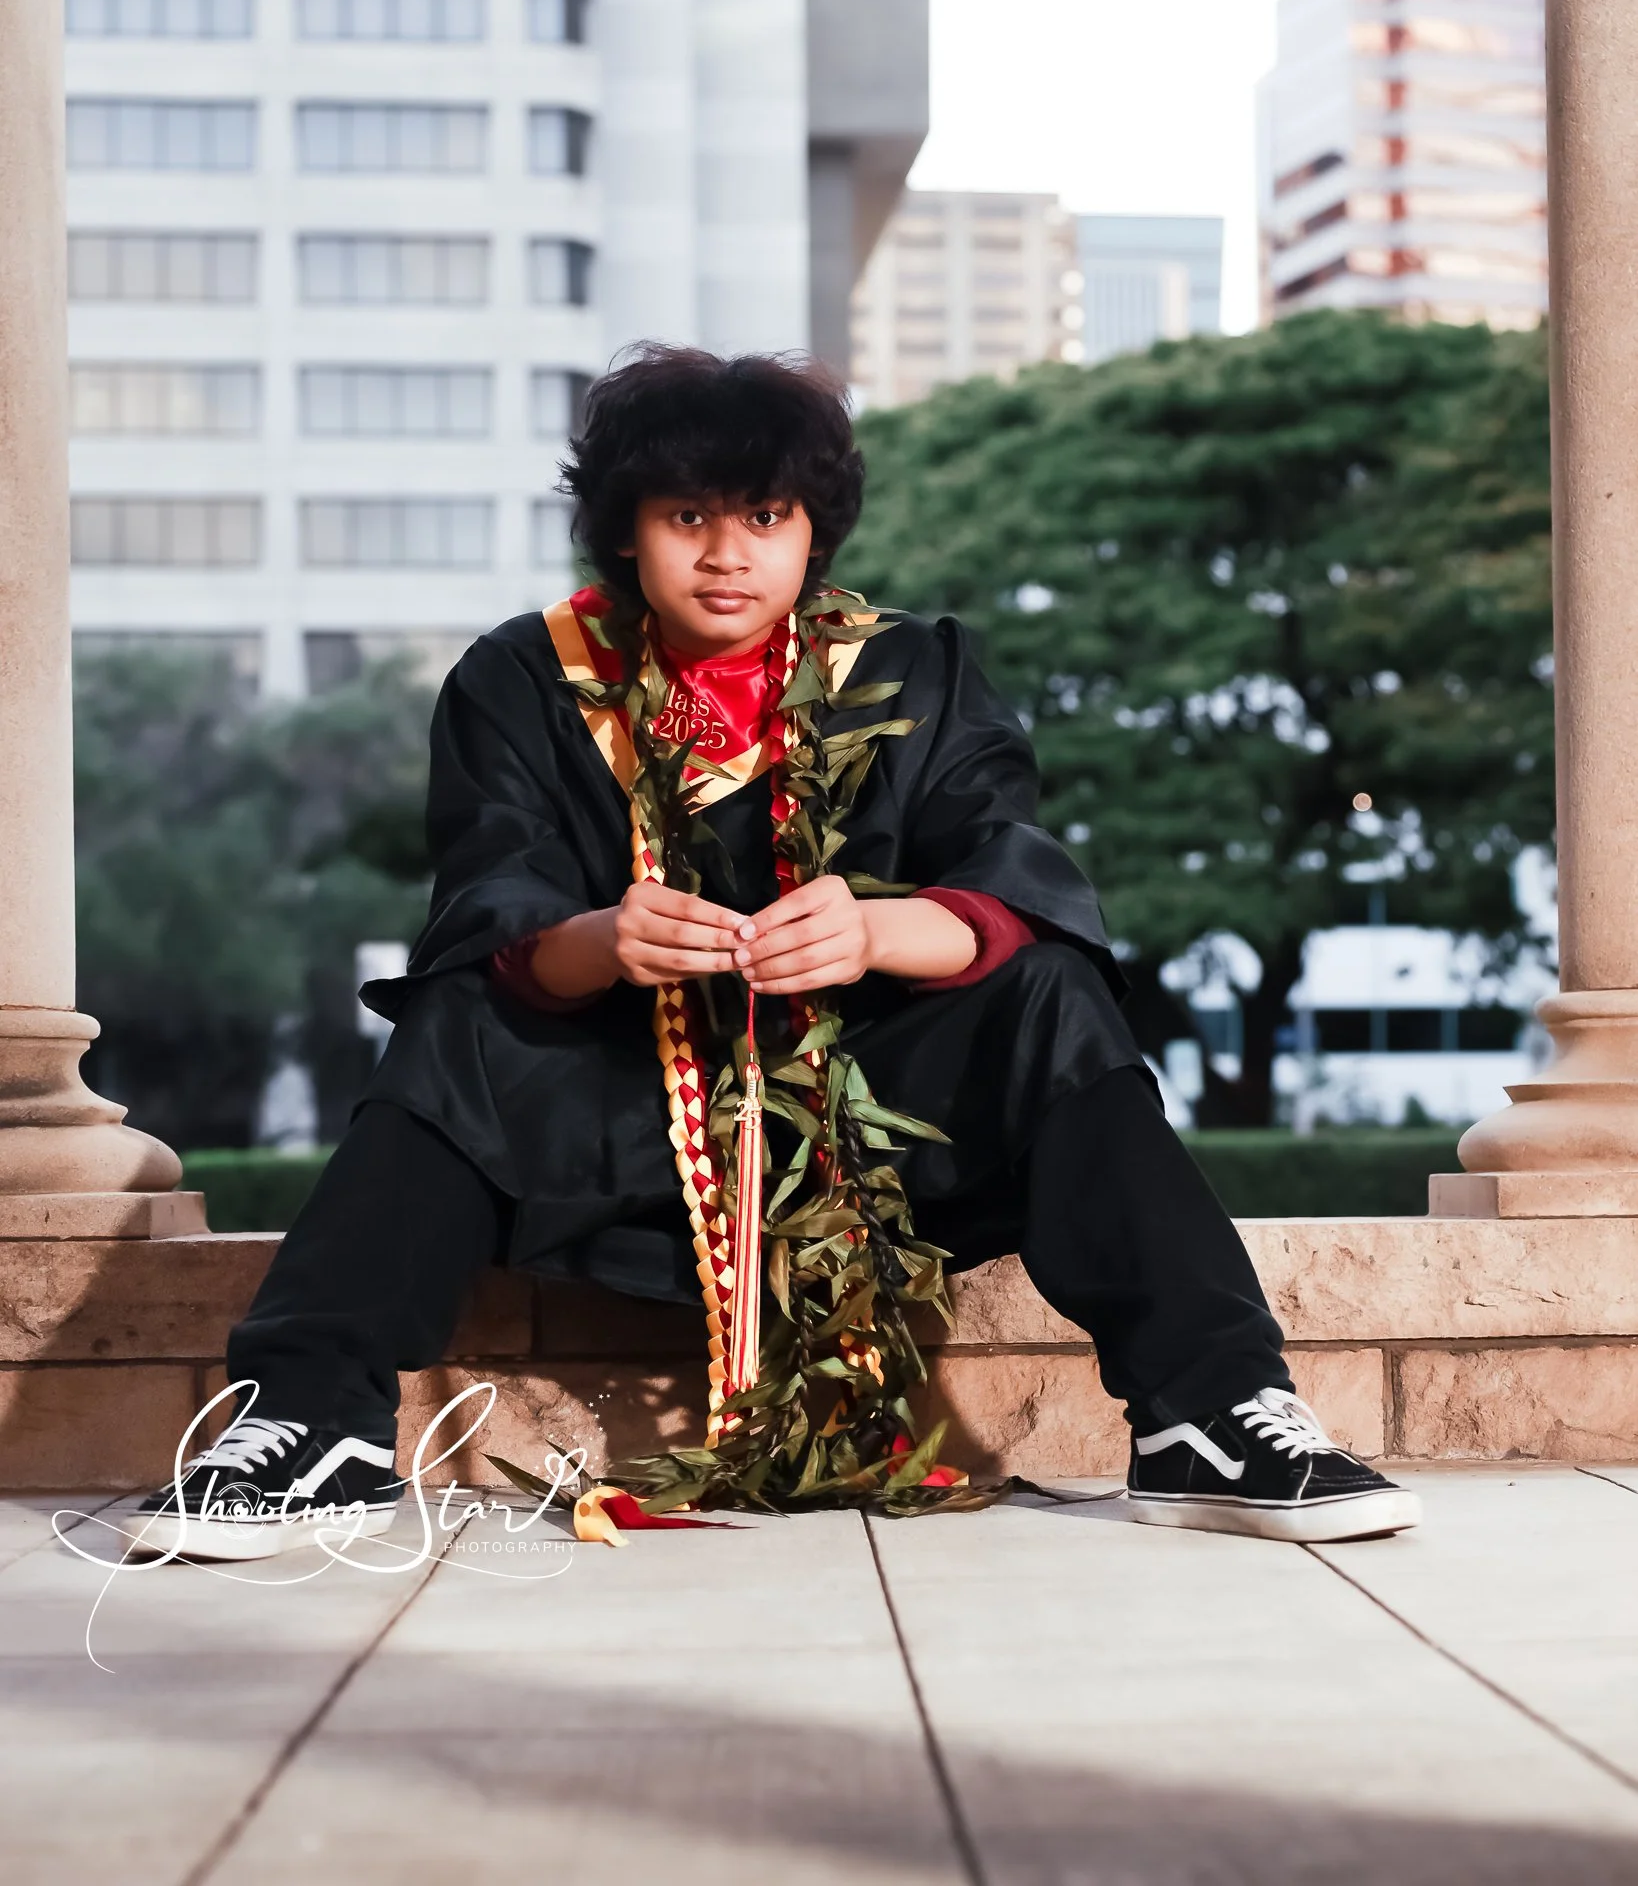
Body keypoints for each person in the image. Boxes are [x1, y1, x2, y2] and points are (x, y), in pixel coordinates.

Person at [124, 345, 1421, 1559]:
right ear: (627, 529)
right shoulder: (524, 678)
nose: (727, 555)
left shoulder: (912, 671)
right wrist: (600, 938)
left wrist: (871, 926)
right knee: (454, 1024)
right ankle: (308, 1430)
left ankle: (1212, 1413)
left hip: (868, 1132)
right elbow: (488, 910)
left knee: (1045, 993)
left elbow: (1008, 876)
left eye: (764, 518)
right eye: (687, 518)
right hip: (612, 1124)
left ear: (813, 531)